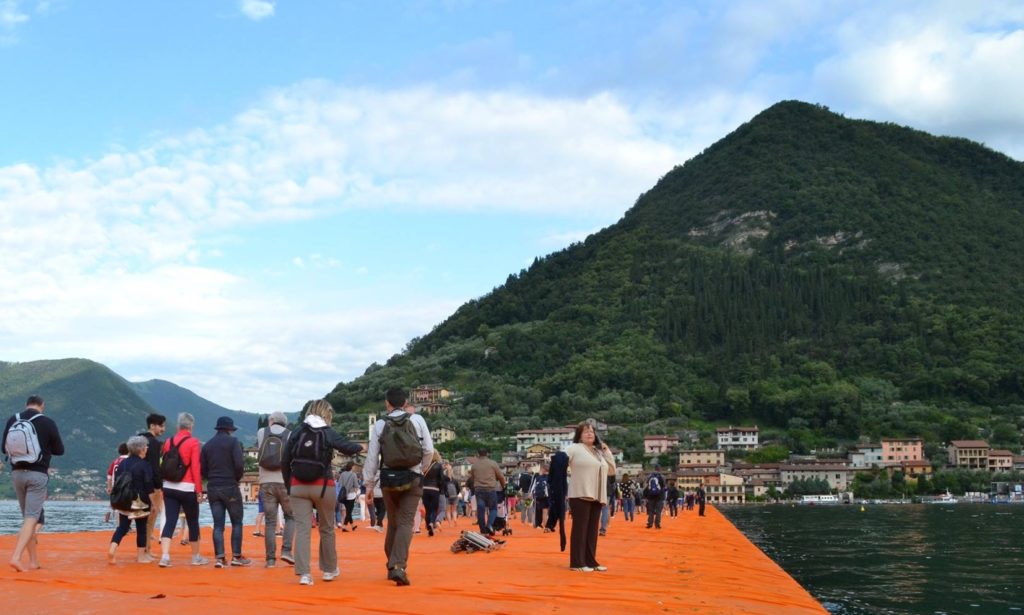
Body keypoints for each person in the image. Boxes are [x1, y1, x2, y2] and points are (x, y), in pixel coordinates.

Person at [281, 399, 362, 586]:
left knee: (302, 529)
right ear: (327, 414)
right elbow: (348, 447)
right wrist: (360, 447)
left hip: (298, 487)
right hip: (323, 486)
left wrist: (289, 486)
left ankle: (304, 574)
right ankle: (329, 570)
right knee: (326, 528)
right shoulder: (327, 432)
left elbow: (285, 461)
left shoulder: (297, 432)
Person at [362, 387, 434, 586]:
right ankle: (398, 566)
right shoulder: (418, 420)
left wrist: (369, 485)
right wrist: (422, 468)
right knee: (405, 522)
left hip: (388, 478)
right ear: (405, 403)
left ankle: (391, 564)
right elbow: (429, 449)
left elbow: (372, 457)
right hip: (413, 477)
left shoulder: (380, 424)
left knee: (393, 522)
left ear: (387, 404)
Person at [3, 395, 64, 572]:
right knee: (32, 518)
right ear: (42, 406)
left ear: (26, 404)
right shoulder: (47, 422)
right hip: (37, 474)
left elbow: (3, 448)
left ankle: (33, 561)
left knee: (27, 518)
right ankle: (16, 557)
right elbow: (60, 450)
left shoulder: (13, 419)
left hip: (16, 473)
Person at [564, 420, 616, 573]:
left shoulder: (598, 452)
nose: (589, 434)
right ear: (579, 436)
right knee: (580, 528)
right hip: (580, 493)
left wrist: (606, 450)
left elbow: (612, 470)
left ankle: (590, 561)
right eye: (586, 431)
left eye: (592, 432)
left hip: (597, 495)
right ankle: (577, 562)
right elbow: (560, 461)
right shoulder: (574, 448)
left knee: (592, 530)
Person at [201, 416, 250, 568]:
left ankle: (220, 558)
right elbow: (239, 464)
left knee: (218, 525)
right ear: (230, 429)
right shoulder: (233, 442)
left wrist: (211, 478)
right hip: (230, 486)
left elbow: (203, 470)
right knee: (236, 522)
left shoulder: (207, 445)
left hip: (213, 487)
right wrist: (235, 479)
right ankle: (236, 556)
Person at [159, 412, 207, 568]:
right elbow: (195, 467)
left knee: (170, 521)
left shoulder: (168, 441)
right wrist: (199, 491)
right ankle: (195, 557)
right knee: (192, 521)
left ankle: (165, 557)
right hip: (187, 488)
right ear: (191, 426)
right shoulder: (194, 442)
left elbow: (163, 464)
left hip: (169, 486)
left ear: (178, 425)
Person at [108, 436, 156, 564]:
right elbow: (148, 486)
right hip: (139, 501)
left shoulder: (122, 463)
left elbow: (117, 482)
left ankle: (112, 549)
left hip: (123, 500)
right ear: (140, 449)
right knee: (141, 529)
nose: (146, 448)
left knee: (122, 527)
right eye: (145, 446)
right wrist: (154, 504)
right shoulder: (144, 464)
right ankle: (141, 557)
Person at [256, 411, 294, 567]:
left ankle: (270, 560)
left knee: (270, 522)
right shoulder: (290, 434)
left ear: (271, 420)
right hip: (284, 482)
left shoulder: (261, 432)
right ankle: (286, 551)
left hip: (266, 483)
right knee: (291, 517)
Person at [138, 413, 166, 554]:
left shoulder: (138, 440)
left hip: (137, 484)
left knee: (140, 518)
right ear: (153, 425)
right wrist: (159, 486)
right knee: (151, 517)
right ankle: (147, 549)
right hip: (151, 486)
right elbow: (155, 467)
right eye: (161, 426)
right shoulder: (154, 443)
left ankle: (143, 548)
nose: (163, 429)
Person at [468, 448, 506, 535]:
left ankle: (482, 529)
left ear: (478, 454)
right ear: (487, 454)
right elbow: (501, 477)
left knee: (480, 509)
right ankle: (489, 525)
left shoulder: (474, 466)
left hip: (479, 490)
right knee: (493, 508)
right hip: (491, 489)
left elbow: (472, 478)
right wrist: (503, 486)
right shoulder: (493, 463)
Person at [421, 451, 445, 537]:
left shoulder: (424, 465)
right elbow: (442, 479)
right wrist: (441, 489)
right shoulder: (439, 465)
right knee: (434, 509)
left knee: (428, 510)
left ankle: (428, 527)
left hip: (424, 489)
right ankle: (432, 523)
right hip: (435, 489)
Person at [104, 442, 129, 523]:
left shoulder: (115, 462)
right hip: (126, 487)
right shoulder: (129, 461)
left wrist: (109, 487)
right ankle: (125, 525)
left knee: (116, 505)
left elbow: (109, 475)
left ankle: (111, 522)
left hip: (116, 487)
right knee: (128, 506)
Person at [337, 462, 360, 532]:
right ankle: (344, 526)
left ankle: (353, 526)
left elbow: (339, 484)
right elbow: (356, 485)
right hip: (351, 494)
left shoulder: (342, 474)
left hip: (344, 495)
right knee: (349, 512)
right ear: (352, 467)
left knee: (348, 510)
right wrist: (356, 492)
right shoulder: (353, 475)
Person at [644, 464, 666, 530]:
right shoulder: (662, 476)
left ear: (655, 468)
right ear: (660, 469)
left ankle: (650, 523)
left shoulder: (650, 476)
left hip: (651, 496)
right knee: (658, 511)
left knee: (651, 511)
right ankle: (657, 524)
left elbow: (647, 485)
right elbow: (663, 486)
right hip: (660, 496)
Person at [531, 465, 550, 529]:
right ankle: (545, 525)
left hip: (538, 496)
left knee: (537, 510)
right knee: (545, 511)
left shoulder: (537, 477)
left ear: (543, 470)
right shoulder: (551, 477)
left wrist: (531, 494)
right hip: (547, 496)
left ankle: (537, 524)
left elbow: (533, 486)